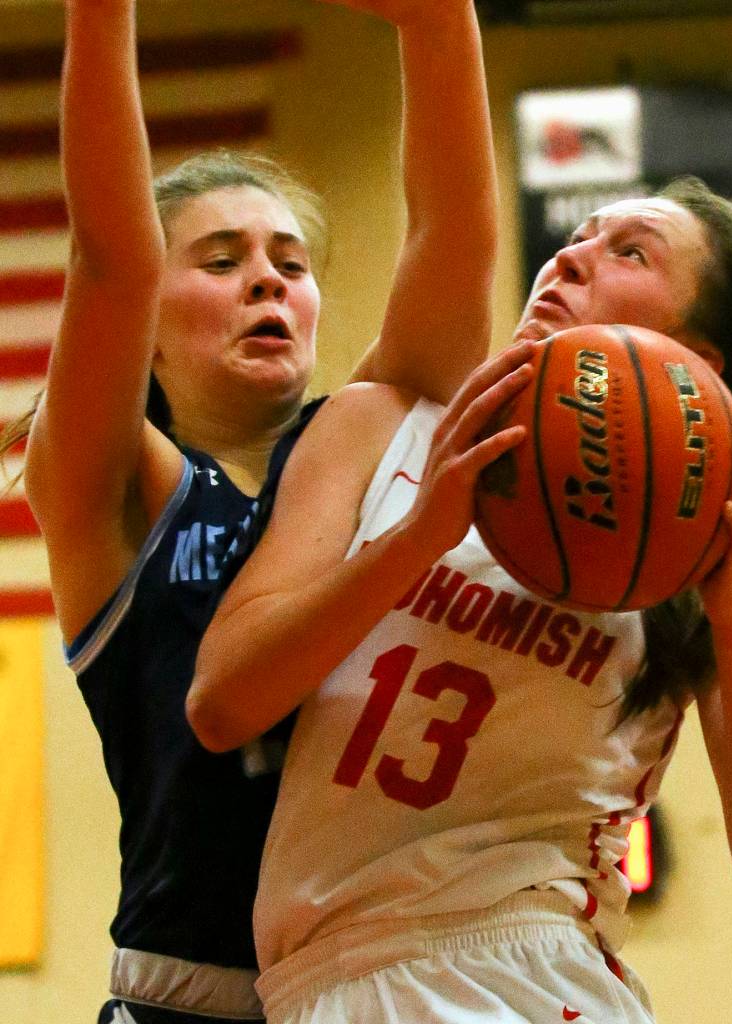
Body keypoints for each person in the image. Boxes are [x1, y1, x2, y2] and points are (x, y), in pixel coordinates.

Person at [187, 178, 732, 1023]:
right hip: (322, 984)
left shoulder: (710, 569)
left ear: (697, 370)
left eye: (630, 251)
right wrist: (422, 533)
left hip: (527, 971)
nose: (571, 256)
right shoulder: (382, 426)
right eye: (579, 234)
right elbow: (220, 704)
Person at [3, 0, 498, 1020]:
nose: (267, 279)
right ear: (146, 330)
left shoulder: (367, 448)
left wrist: (439, 25)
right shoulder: (120, 492)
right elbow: (111, 260)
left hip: (375, 994)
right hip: (187, 997)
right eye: (222, 261)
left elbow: (451, 239)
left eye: (291, 262)